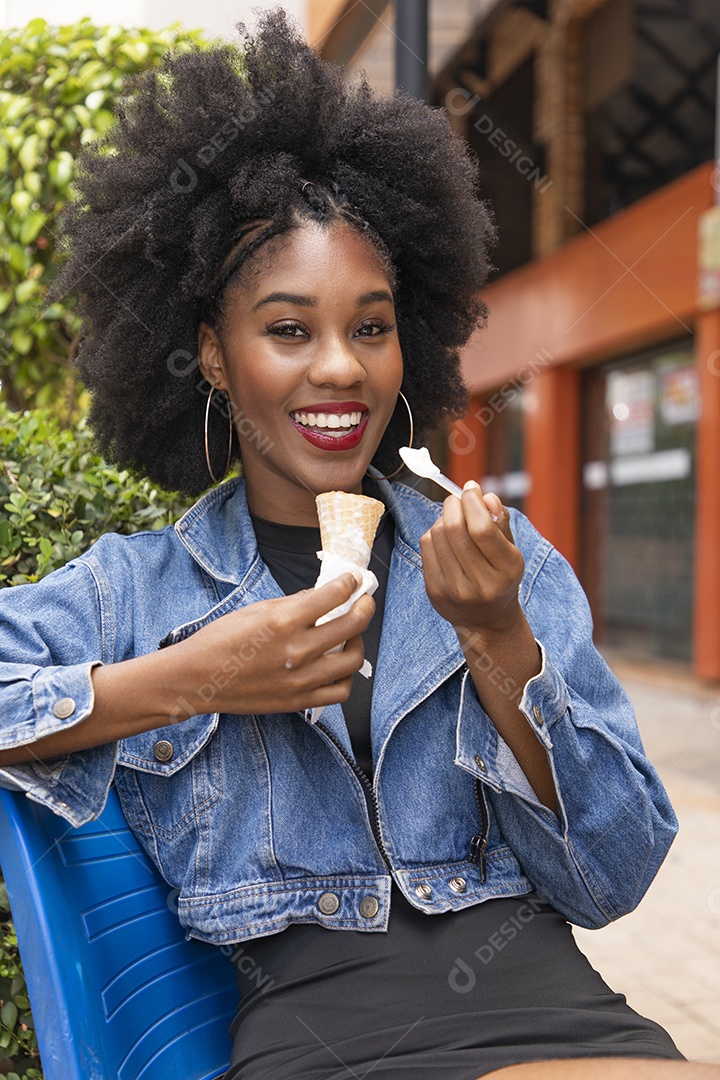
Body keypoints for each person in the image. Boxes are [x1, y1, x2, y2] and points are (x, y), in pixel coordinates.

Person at [0, 11, 716, 1079]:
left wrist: (500, 643)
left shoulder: (502, 564)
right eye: (288, 329)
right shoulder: (137, 590)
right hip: (328, 1043)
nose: (340, 369)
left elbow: (611, 875)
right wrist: (186, 679)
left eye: (371, 327)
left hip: (560, 1015)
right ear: (211, 353)